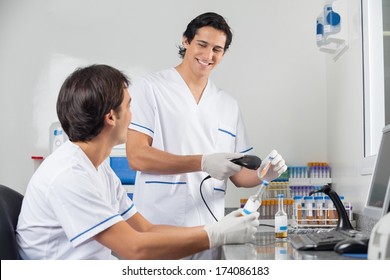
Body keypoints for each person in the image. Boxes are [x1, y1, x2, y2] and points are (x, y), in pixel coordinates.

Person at [15, 64, 260, 260]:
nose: (133, 115)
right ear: (111, 117)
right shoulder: (68, 175)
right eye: (129, 105)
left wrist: (218, 229)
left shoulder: (98, 169)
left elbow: (145, 229)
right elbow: (134, 248)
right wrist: (215, 235)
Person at [126, 12, 287, 259]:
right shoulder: (150, 88)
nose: (208, 55)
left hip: (210, 232)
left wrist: (264, 175)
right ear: (186, 41)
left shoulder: (228, 105)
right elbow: (137, 156)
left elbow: (239, 176)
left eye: (217, 49)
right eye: (202, 44)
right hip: (158, 229)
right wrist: (201, 162)